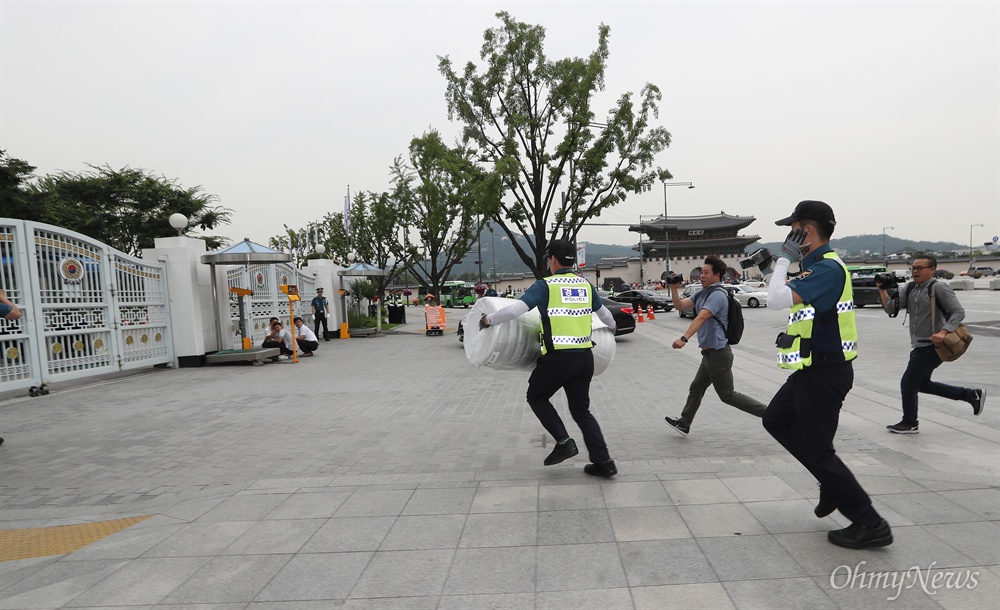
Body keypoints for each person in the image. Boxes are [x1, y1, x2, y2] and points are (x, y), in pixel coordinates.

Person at [761, 200, 892, 549]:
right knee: (775, 420)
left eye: (793, 228)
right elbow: (782, 294)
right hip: (811, 369)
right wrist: (774, 267)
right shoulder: (815, 268)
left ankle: (870, 522)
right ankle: (832, 485)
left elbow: (775, 300)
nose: (789, 235)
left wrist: (783, 260)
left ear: (809, 229)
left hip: (826, 372)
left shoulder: (829, 269)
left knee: (819, 452)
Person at [479, 239, 619, 477]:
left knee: (536, 395)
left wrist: (487, 320)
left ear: (553, 259)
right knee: (581, 411)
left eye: (548, 259)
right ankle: (604, 462)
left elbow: (516, 310)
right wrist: (612, 331)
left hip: (560, 359)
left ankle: (564, 441)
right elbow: (607, 317)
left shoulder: (547, 285)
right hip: (585, 357)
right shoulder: (584, 285)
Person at [877, 255, 986, 433]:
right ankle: (971, 395)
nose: (915, 271)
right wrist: (882, 289)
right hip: (919, 344)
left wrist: (943, 331)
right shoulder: (910, 287)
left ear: (932, 269)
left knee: (908, 382)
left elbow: (958, 312)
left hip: (934, 345)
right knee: (922, 384)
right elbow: (892, 309)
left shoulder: (939, 287)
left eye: (920, 268)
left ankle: (910, 422)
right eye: (913, 268)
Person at [663, 255, 767, 436]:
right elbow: (680, 306)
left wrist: (684, 338)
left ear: (717, 275)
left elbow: (702, 317)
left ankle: (772, 414)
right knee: (696, 387)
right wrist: (673, 288)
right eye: (701, 272)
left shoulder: (717, 295)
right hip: (710, 355)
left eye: (705, 272)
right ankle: (684, 423)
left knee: (727, 395)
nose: (701, 275)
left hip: (719, 354)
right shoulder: (702, 293)